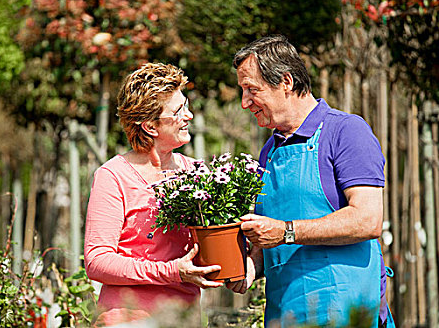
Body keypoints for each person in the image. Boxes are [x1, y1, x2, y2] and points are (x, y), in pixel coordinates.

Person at [226, 35, 395, 327]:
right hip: (285, 314)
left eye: (252, 90)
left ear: (286, 81)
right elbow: (271, 237)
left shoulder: (346, 131)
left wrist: (286, 232)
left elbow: (367, 219)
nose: (245, 103)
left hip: (346, 312)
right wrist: (250, 267)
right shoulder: (270, 150)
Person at [84, 63, 223, 327]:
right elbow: (97, 261)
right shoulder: (114, 176)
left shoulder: (196, 172)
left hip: (184, 319)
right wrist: (171, 272)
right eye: (179, 111)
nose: (190, 116)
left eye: (186, 105)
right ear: (149, 126)